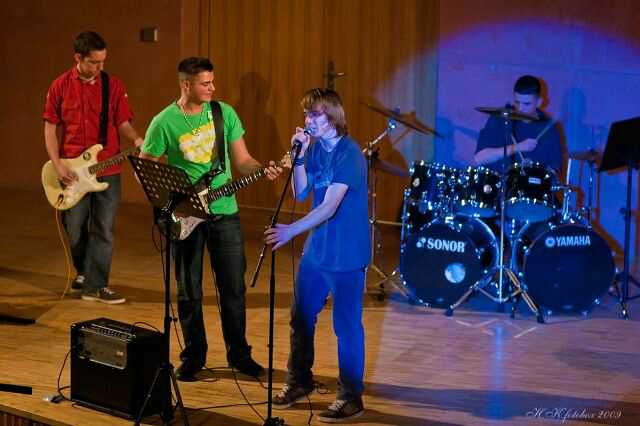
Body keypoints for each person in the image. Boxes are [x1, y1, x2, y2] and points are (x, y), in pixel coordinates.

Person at [140, 57, 281, 381]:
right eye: (205, 83)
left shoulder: (223, 113)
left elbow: (243, 161)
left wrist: (262, 170)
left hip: (225, 212)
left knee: (233, 287)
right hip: (187, 215)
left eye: (212, 82)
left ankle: (239, 354)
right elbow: (146, 171)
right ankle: (193, 356)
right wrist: (169, 205)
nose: (212, 88)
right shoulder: (164, 122)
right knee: (189, 289)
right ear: (186, 84)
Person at [265, 88, 371, 422]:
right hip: (317, 250)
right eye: (306, 114)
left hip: (347, 253)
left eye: (315, 114)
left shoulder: (350, 153)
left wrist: (290, 231)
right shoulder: (313, 149)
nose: (308, 119)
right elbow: (300, 192)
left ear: (333, 117)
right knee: (300, 316)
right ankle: (299, 381)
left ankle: (351, 395)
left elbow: (329, 206)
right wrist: (298, 157)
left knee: (346, 325)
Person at [43, 31, 144, 304]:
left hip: (107, 169)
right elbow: (50, 129)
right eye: (94, 62)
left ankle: (97, 286)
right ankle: (85, 272)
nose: (100, 67)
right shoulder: (60, 85)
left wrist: (136, 139)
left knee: (104, 228)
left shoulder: (113, 85)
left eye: (103, 61)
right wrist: (57, 164)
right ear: (78, 58)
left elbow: (123, 123)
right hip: (72, 170)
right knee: (74, 226)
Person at [473, 75, 562, 173]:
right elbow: (479, 159)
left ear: (539, 102)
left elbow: (553, 169)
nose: (520, 108)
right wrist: (517, 147)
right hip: (497, 181)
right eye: (517, 102)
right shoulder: (500, 119)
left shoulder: (549, 129)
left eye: (526, 104)